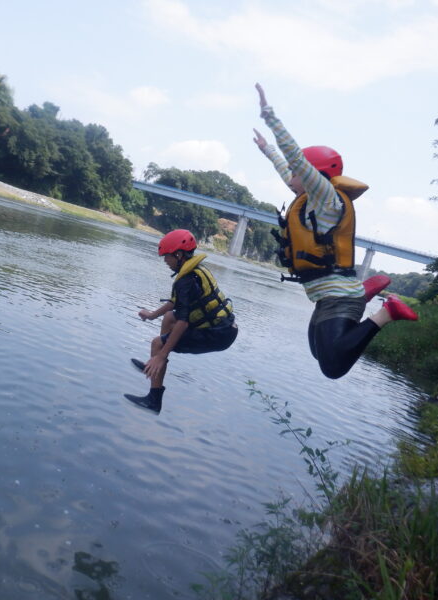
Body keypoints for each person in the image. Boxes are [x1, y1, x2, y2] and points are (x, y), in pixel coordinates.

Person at [252, 83, 417, 380]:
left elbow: (296, 158)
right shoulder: (309, 202)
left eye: (296, 172)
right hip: (328, 295)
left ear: (314, 176)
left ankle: (388, 312)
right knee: (319, 351)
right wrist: (267, 151)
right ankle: (363, 293)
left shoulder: (327, 200)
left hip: (339, 295)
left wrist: (269, 116)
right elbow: (289, 168)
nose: (290, 176)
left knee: (333, 366)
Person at [125, 229, 238, 413]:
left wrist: (162, 355)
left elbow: (183, 322)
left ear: (179, 255)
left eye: (167, 256)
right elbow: (175, 304)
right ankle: (156, 364)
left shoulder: (185, 281)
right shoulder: (195, 270)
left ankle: (154, 399)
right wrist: (153, 315)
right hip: (222, 326)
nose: (165, 261)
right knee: (169, 318)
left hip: (218, 335)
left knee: (157, 344)